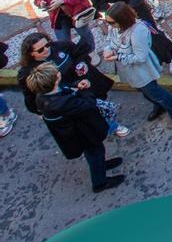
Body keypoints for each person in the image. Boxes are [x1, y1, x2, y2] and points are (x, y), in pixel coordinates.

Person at [24, 63, 124, 193]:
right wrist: (84, 89)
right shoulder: (61, 103)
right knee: (96, 152)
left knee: (93, 153)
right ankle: (100, 182)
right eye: (56, 73)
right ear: (55, 80)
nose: (59, 73)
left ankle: (101, 166)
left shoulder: (45, 95)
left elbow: (66, 88)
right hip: (84, 133)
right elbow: (88, 104)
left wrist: (76, 85)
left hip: (77, 132)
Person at [103, 2, 172, 130]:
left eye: (111, 22)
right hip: (129, 71)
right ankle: (159, 106)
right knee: (145, 92)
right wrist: (108, 49)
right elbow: (111, 41)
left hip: (142, 71)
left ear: (122, 19)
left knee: (155, 92)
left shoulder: (138, 30)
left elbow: (140, 57)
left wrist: (118, 57)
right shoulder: (114, 27)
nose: (109, 25)